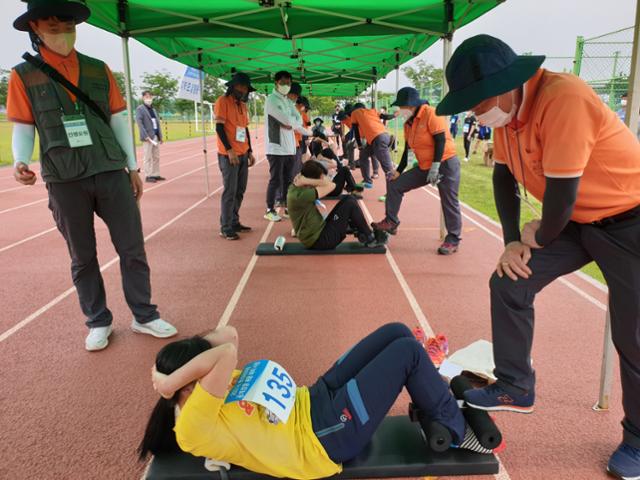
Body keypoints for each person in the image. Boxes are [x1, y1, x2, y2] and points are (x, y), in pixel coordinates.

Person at [437, 34, 640, 479]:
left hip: (628, 221)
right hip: (576, 223)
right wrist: (513, 241)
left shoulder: (563, 98)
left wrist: (538, 234)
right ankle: (515, 385)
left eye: (479, 100)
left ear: (511, 82)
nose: (475, 112)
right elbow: (503, 179)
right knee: (510, 279)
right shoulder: (507, 115)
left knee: (633, 333)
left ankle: (639, 439)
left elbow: (562, 196)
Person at [9, 0, 177, 351]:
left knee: (132, 247)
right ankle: (97, 320)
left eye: (68, 26)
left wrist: (132, 167)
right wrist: (20, 161)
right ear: (35, 29)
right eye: (53, 27)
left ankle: (144, 314)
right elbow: (24, 125)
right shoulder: (23, 75)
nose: (63, 34)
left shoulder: (99, 69)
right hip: (65, 177)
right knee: (82, 256)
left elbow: (117, 119)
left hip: (109, 170)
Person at [139, 322, 492, 479]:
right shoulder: (193, 423)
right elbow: (227, 350)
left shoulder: (204, 389)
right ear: (188, 386)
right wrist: (169, 382)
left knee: (397, 332)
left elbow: (228, 334)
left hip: (313, 399)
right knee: (408, 353)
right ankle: (458, 430)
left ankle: (434, 401)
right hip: (323, 438)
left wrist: (179, 376)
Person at [372, 87, 462, 255]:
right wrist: (398, 170)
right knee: (395, 183)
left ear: (411, 105)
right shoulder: (409, 122)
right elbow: (408, 149)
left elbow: (440, 140)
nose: (400, 110)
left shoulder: (431, 113)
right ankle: (391, 221)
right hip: (424, 166)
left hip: (445, 163)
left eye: (402, 106)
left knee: (448, 200)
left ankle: (453, 239)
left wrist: (436, 167)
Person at [288, 161, 386, 250]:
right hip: (320, 241)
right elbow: (332, 185)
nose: (321, 182)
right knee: (350, 202)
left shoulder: (296, 187)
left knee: (347, 200)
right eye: (319, 179)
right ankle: (370, 238)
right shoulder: (301, 195)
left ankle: (359, 229)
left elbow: (309, 175)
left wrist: (306, 179)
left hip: (319, 231)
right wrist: (307, 180)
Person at [214, 72, 256, 240]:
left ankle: (234, 221)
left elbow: (245, 129)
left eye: (246, 88)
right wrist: (229, 149)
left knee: (240, 190)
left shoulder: (243, 106)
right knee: (230, 191)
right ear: (233, 86)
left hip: (243, 152)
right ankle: (225, 226)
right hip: (229, 155)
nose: (244, 90)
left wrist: (250, 150)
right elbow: (219, 128)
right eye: (241, 87)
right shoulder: (222, 102)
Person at [264, 71, 310, 222]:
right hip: (276, 148)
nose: (286, 86)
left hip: (289, 148)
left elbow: (296, 121)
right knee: (275, 180)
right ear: (276, 83)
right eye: (283, 83)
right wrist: (291, 123)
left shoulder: (287, 101)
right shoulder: (271, 100)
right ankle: (270, 209)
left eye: (288, 83)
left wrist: (306, 131)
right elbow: (287, 120)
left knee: (289, 180)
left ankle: (287, 207)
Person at [349, 103, 395, 187]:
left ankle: (393, 191)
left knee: (388, 168)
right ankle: (367, 181)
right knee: (363, 155)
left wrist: (359, 145)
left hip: (378, 139)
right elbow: (386, 117)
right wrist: (394, 115)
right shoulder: (372, 111)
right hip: (381, 137)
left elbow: (355, 130)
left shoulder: (355, 113)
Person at [135, 91, 165, 183]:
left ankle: (155, 174)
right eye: (147, 96)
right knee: (147, 157)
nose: (149, 98)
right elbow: (139, 124)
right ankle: (148, 175)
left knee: (156, 156)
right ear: (143, 98)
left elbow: (157, 123)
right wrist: (145, 136)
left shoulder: (153, 110)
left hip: (155, 136)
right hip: (148, 137)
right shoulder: (140, 109)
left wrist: (160, 136)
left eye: (150, 96)